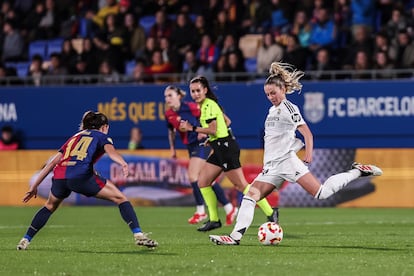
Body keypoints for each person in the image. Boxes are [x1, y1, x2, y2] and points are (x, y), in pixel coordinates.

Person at [209, 62, 383, 245]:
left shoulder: (289, 109)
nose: (270, 97)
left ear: (283, 89)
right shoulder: (272, 110)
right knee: (250, 195)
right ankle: (234, 237)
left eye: (273, 93)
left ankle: (357, 171)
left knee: (322, 193)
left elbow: (307, 132)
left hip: (288, 162)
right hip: (272, 166)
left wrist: (308, 154)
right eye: (267, 94)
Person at [16, 111, 158, 250]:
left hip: (60, 177)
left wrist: (34, 186)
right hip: (80, 176)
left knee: (49, 206)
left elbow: (52, 163)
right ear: (104, 127)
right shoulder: (102, 136)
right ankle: (138, 235)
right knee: (121, 198)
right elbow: (111, 152)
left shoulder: (74, 137)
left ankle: (25, 240)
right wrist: (123, 163)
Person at [179, 76, 277, 232]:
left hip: (225, 148)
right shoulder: (207, 105)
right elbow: (227, 122)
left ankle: (271, 212)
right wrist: (211, 139)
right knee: (203, 181)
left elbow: (212, 128)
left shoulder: (208, 105)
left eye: (198, 90)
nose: (195, 94)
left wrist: (192, 128)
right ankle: (214, 220)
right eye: (193, 91)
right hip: (220, 147)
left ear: (205, 90)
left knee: (241, 185)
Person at [164, 85, 238, 225]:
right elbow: (171, 131)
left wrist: (204, 131)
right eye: (166, 96)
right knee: (206, 179)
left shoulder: (192, 107)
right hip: (190, 146)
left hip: (203, 143)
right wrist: (172, 148)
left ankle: (200, 211)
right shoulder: (168, 114)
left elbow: (211, 116)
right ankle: (229, 208)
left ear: (179, 96)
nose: (167, 99)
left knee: (193, 176)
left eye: (170, 95)